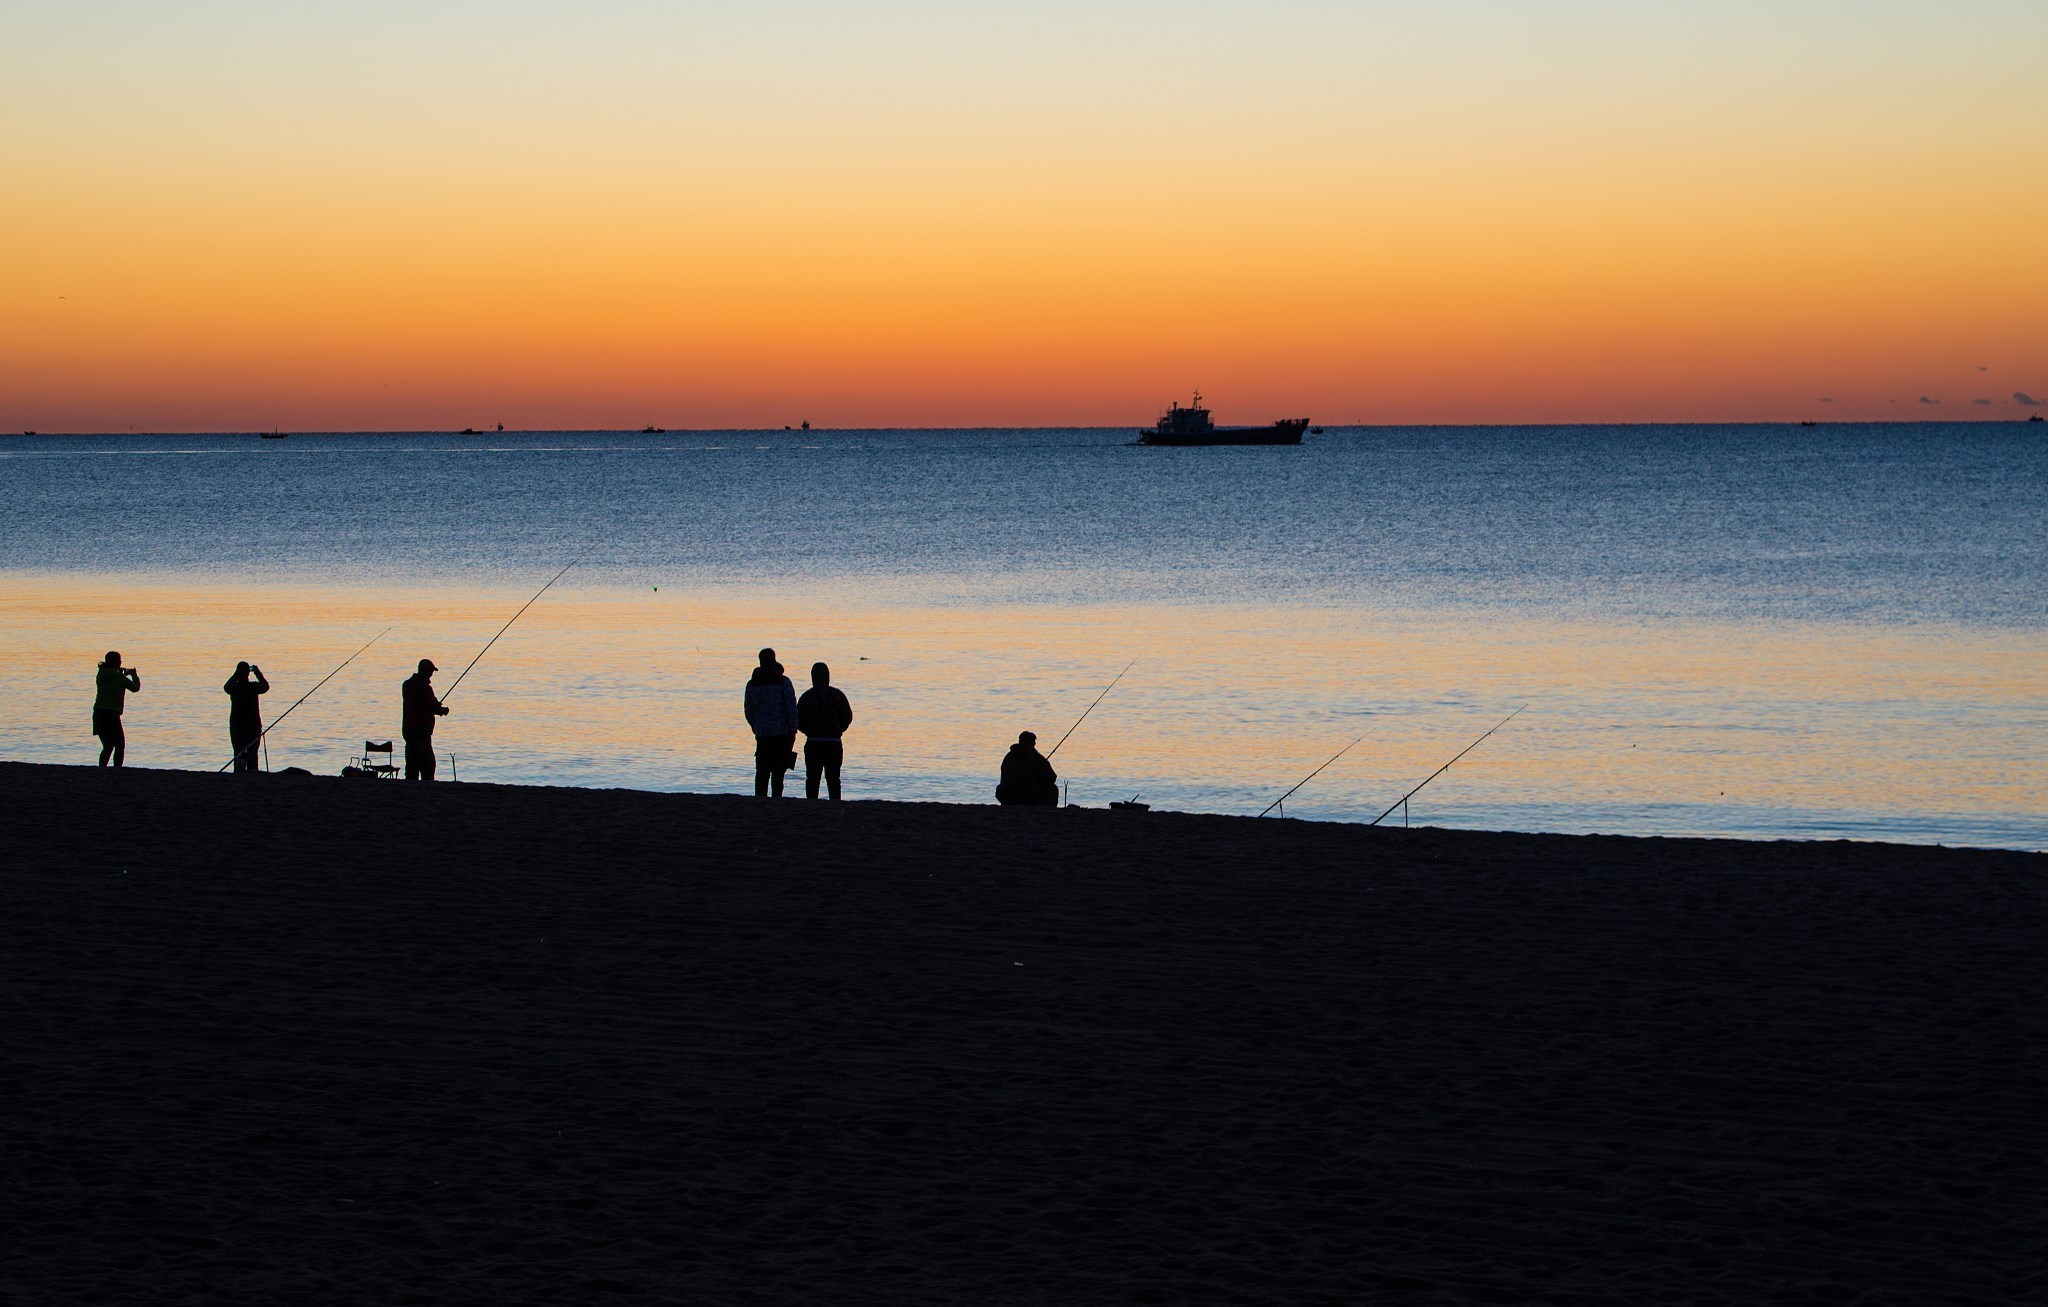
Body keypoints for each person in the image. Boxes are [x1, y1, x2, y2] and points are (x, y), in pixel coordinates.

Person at [744, 647, 799, 797]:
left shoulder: (752, 684)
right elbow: (791, 708)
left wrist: (755, 727)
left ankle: (760, 799)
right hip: (782, 734)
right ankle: (776, 800)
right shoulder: (783, 682)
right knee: (778, 772)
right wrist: (793, 730)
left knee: (762, 771)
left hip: (763, 733)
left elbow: (748, 711)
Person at [796, 661, 854, 800]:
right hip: (833, 743)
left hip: (814, 743)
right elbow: (848, 717)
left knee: (812, 778)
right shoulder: (837, 695)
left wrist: (809, 731)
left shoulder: (807, 696)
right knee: (833, 779)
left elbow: (797, 720)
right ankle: (835, 804)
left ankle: (812, 804)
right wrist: (839, 730)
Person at [401, 658, 450, 780]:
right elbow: (433, 707)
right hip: (421, 732)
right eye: (431, 672)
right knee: (428, 765)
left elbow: (423, 704)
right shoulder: (424, 688)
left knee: (412, 764)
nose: (431, 674)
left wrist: (435, 706)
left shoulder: (407, 685)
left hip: (408, 730)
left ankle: (410, 789)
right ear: (426, 671)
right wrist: (442, 710)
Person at [93, 651, 141, 767]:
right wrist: (134, 674)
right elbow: (135, 688)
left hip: (98, 713)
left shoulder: (101, 673)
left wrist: (120, 674)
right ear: (117, 662)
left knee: (108, 746)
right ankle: (117, 770)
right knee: (120, 745)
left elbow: (113, 680)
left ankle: (102, 768)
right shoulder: (117, 676)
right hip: (111, 714)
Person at [223, 660, 271, 772]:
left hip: (237, 726)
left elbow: (226, 687)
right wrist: (258, 672)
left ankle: (239, 774)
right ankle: (252, 773)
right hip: (253, 726)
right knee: (252, 755)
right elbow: (265, 686)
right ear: (248, 673)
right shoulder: (253, 687)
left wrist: (236, 674)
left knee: (238, 753)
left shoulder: (234, 688)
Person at [996, 730, 1059, 806]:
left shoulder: (1008, 757)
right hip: (1030, 798)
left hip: (1008, 798)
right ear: (1033, 743)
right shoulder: (1037, 758)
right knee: (1053, 788)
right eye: (1034, 742)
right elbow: (1051, 778)